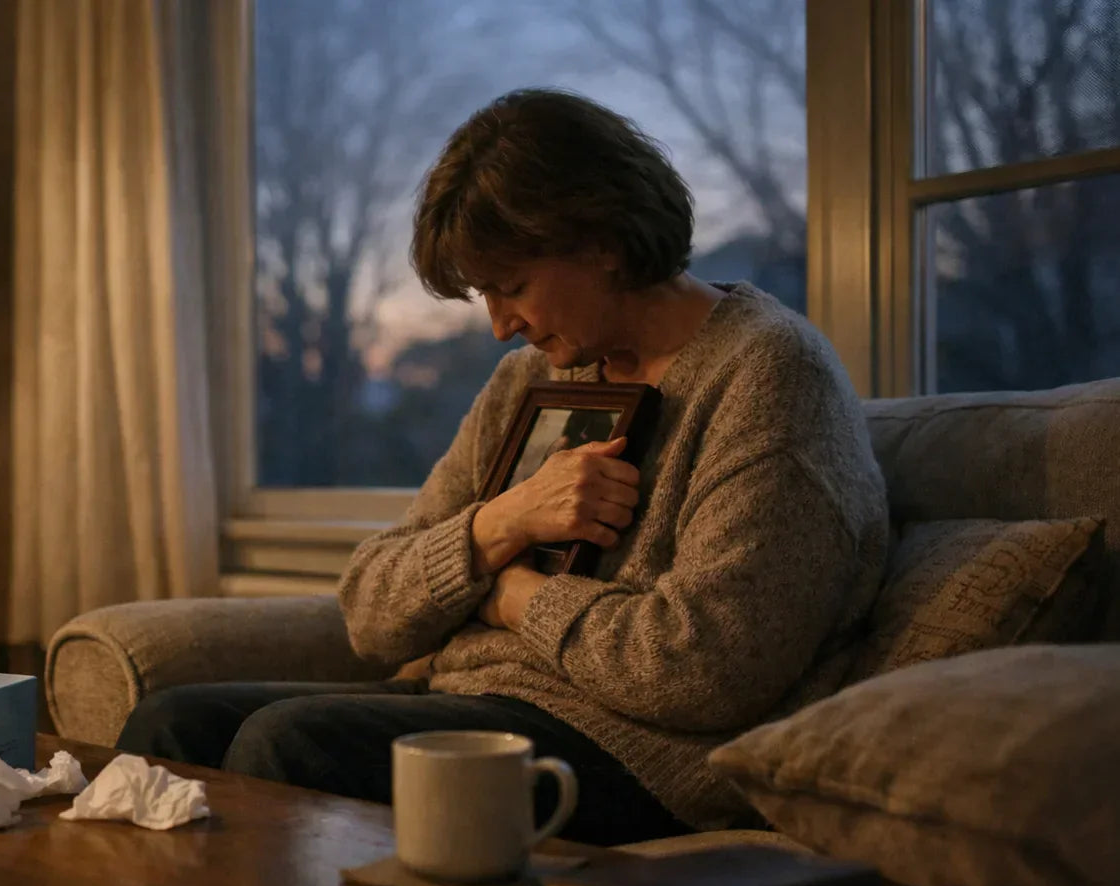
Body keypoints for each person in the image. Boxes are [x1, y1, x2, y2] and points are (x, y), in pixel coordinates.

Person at [116, 89, 889, 844]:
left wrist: (514, 598)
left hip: (641, 757)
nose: (498, 326)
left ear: (603, 242)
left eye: (511, 287)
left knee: (292, 744)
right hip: (469, 700)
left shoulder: (770, 375)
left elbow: (704, 668)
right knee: (171, 722)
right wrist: (500, 524)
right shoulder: (528, 382)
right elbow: (370, 610)